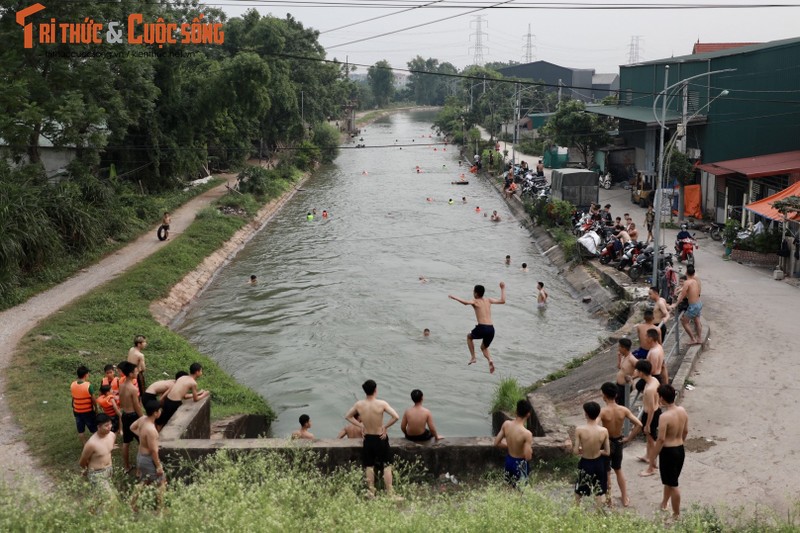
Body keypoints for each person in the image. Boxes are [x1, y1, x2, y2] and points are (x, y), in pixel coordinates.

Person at [344, 380, 401, 499]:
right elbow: (396, 416)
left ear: (365, 391)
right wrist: (385, 426)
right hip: (380, 437)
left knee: (369, 465)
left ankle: (371, 492)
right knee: (387, 465)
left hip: (368, 438)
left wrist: (361, 426)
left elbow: (348, 416)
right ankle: (390, 494)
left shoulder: (359, 404)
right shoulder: (382, 404)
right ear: (376, 390)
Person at [599, 382, 642, 507]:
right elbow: (639, 424)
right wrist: (629, 438)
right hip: (618, 441)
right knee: (618, 470)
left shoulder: (603, 411)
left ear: (604, 396)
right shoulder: (623, 410)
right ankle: (624, 497)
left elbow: (595, 426)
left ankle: (609, 499)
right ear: (616, 395)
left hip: (606, 442)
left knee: (606, 472)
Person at [448, 282, 506, 374]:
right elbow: (503, 301)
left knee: (469, 337)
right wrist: (502, 288)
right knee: (483, 347)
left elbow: (465, 303)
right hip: (491, 329)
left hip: (482, 327)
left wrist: (454, 297)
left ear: (476, 293)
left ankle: (473, 357)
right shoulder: (489, 300)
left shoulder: (475, 301)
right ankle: (490, 359)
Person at [653, 384, 689, 518]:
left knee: (673, 484)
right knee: (670, 480)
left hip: (669, 452)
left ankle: (676, 514)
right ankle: (664, 503)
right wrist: (680, 441)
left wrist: (653, 456)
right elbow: (685, 431)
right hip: (680, 449)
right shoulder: (682, 410)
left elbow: (661, 439)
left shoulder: (664, 417)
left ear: (662, 398)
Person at [625, 360, 661, 476]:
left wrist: (647, 424)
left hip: (651, 414)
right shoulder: (653, 380)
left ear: (641, 372)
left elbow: (650, 409)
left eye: (637, 370)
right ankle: (648, 457)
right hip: (655, 411)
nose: (635, 372)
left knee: (651, 440)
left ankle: (653, 466)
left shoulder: (650, 388)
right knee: (650, 439)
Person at [130, 399, 166, 510]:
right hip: (148, 459)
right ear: (155, 413)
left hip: (140, 456)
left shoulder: (142, 419)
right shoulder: (151, 430)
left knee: (145, 480)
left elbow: (132, 427)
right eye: (159, 410)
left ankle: (132, 503)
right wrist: (159, 466)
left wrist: (142, 437)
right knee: (162, 481)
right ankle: (161, 508)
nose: (160, 412)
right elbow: (153, 451)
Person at [573, 401, 610, 505]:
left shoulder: (579, 430)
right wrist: (598, 450)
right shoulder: (604, 430)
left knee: (579, 489)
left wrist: (582, 449)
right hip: (599, 463)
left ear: (586, 414)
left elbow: (575, 451)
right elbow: (607, 452)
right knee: (598, 490)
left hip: (586, 462)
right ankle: (598, 514)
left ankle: (575, 511)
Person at [156, 363, 209, 430]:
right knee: (164, 423)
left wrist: (198, 393)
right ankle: (157, 437)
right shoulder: (193, 383)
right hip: (174, 403)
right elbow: (195, 399)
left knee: (162, 420)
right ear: (197, 372)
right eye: (201, 371)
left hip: (168, 400)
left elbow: (184, 396)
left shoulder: (182, 377)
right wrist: (204, 394)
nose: (201, 373)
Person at [493, 399, 533, 487]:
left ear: (516, 411)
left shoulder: (506, 424)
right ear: (528, 414)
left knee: (509, 486)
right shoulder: (527, 434)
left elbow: (496, 443)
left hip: (509, 460)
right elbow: (528, 456)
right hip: (520, 464)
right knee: (522, 489)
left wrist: (509, 446)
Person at [79, 412, 116, 495]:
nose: (109, 427)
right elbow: (82, 461)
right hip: (97, 473)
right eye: (106, 425)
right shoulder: (91, 444)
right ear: (98, 427)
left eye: (110, 424)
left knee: (101, 499)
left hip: (109, 470)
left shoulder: (112, 435)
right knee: (111, 501)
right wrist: (86, 470)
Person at [117, 361, 142, 473]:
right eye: (136, 371)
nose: (137, 373)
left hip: (125, 415)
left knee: (126, 443)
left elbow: (121, 402)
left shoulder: (121, 385)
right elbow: (137, 406)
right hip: (133, 416)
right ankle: (139, 470)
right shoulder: (133, 389)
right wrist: (143, 418)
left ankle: (126, 467)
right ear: (131, 374)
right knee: (141, 442)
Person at [674, 264, 703, 345]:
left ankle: (693, 339)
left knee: (684, 322)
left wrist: (676, 304)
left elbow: (682, 296)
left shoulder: (687, 282)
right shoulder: (695, 281)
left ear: (686, 272)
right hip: (699, 303)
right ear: (693, 274)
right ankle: (699, 338)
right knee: (697, 321)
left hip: (693, 306)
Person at [71, 365, 97, 444]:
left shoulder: (73, 384)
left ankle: (85, 444)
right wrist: (96, 408)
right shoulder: (88, 386)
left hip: (77, 411)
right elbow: (93, 399)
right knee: (93, 429)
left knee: (81, 430)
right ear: (86, 375)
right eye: (88, 374)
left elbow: (73, 397)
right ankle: (97, 444)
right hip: (87, 411)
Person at [615, 338, 638, 406]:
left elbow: (642, 369)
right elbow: (620, 367)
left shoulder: (632, 359)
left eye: (619, 346)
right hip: (619, 385)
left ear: (624, 348)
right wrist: (619, 357)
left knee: (623, 404)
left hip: (625, 386)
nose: (618, 348)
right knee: (617, 402)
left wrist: (632, 377)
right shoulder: (623, 356)